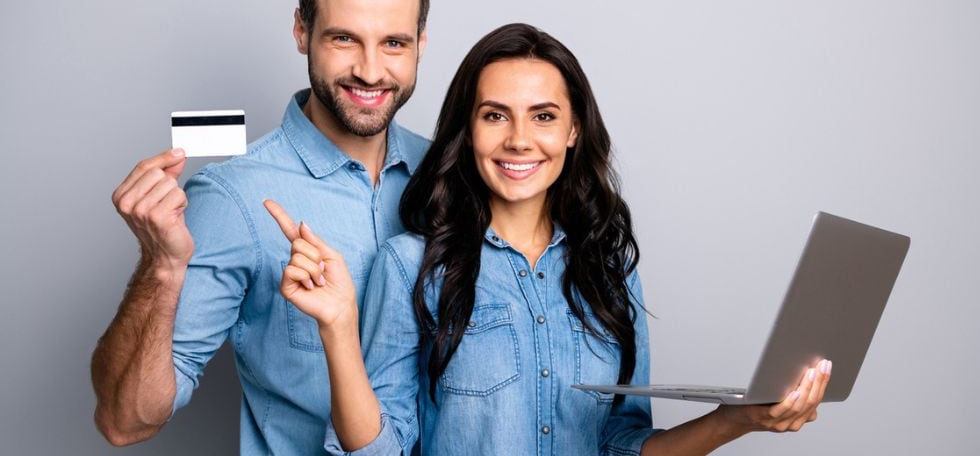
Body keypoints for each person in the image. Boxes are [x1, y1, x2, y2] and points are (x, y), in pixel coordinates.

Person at [268, 23, 831, 455]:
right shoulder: (413, 264)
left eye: (542, 116)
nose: (519, 140)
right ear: (468, 132)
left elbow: (621, 443)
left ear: (572, 130)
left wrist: (739, 419)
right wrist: (339, 330)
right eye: (495, 116)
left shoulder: (609, 266)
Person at [90, 0, 431, 453]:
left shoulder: (454, 174)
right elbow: (125, 421)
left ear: (420, 44)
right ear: (301, 31)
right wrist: (160, 266)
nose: (370, 69)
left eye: (393, 43)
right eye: (344, 38)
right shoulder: (233, 198)